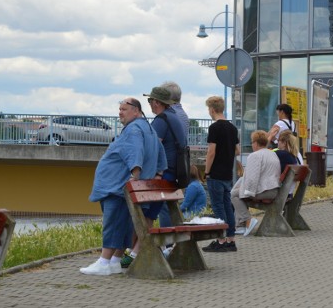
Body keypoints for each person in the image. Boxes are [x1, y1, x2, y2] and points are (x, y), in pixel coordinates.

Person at [80, 98, 166, 276]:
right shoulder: (148, 128)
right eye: (119, 109)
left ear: (136, 111)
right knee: (124, 223)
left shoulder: (134, 129)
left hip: (119, 187)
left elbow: (135, 152)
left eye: (124, 109)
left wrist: (134, 176)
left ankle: (104, 262)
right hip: (131, 187)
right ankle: (115, 261)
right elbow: (161, 154)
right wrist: (157, 174)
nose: (120, 112)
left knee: (113, 221)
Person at [121, 86, 187, 268]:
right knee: (150, 213)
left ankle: (134, 253)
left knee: (147, 214)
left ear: (157, 103)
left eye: (150, 101)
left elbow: (152, 148)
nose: (149, 104)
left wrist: (141, 170)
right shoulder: (174, 117)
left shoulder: (160, 121)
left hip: (164, 174)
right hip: (173, 174)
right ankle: (134, 252)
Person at [203, 95, 241, 252]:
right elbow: (237, 150)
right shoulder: (232, 128)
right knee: (227, 206)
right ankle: (231, 240)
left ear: (212, 109)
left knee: (218, 207)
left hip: (216, 174)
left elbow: (211, 152)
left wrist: (206, 171)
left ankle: (220, 241)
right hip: (227, 174)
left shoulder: (214, 128)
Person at [231, 130, 281, 237]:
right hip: (273, 190)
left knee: (234, 194)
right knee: (239, 192)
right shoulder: (272, 154)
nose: (251, 144)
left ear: (256, 143)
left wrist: (246, 193)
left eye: (252, 142)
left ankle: (248, 220)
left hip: (264, 191)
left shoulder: (255, 156)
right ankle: (240, 226)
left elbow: (252, 179)